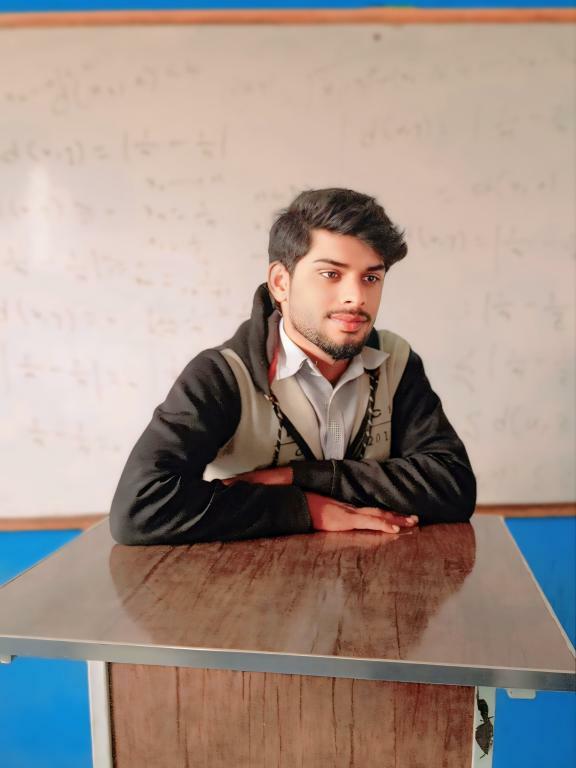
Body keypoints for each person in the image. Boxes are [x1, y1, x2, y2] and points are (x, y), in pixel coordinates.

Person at [109, 188, 476, 545]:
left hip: (377, 578)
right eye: (331, 274)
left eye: (371, 278)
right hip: (250, 583)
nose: (356, 297)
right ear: (280, 283)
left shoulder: (395, 360)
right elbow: (140, 507)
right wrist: (306, 509)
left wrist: (298, 477)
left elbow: (453, 485)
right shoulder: (223, 375)